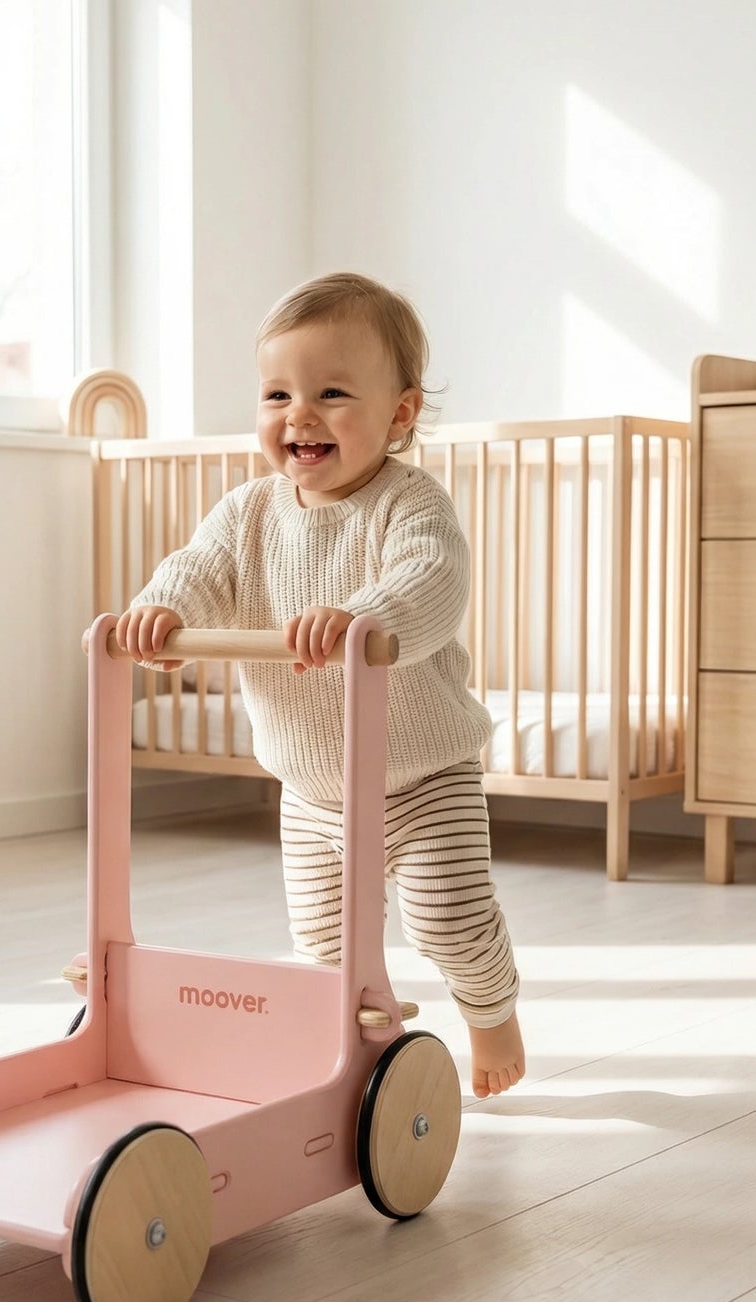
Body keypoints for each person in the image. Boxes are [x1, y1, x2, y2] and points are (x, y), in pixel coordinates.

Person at [116, 272, 524, 1098]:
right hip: (309, 790)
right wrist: (164, 606)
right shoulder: (247, 513)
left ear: (400, 413)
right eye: (276, 394)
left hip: (422, 775)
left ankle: (490, 1010)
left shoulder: (410, 505)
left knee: (448, 921)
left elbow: (432, 582)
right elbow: (203, 569)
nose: (297, 415)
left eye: (330, 392)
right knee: (324, 943)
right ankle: (349, 1061)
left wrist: (361, 617)